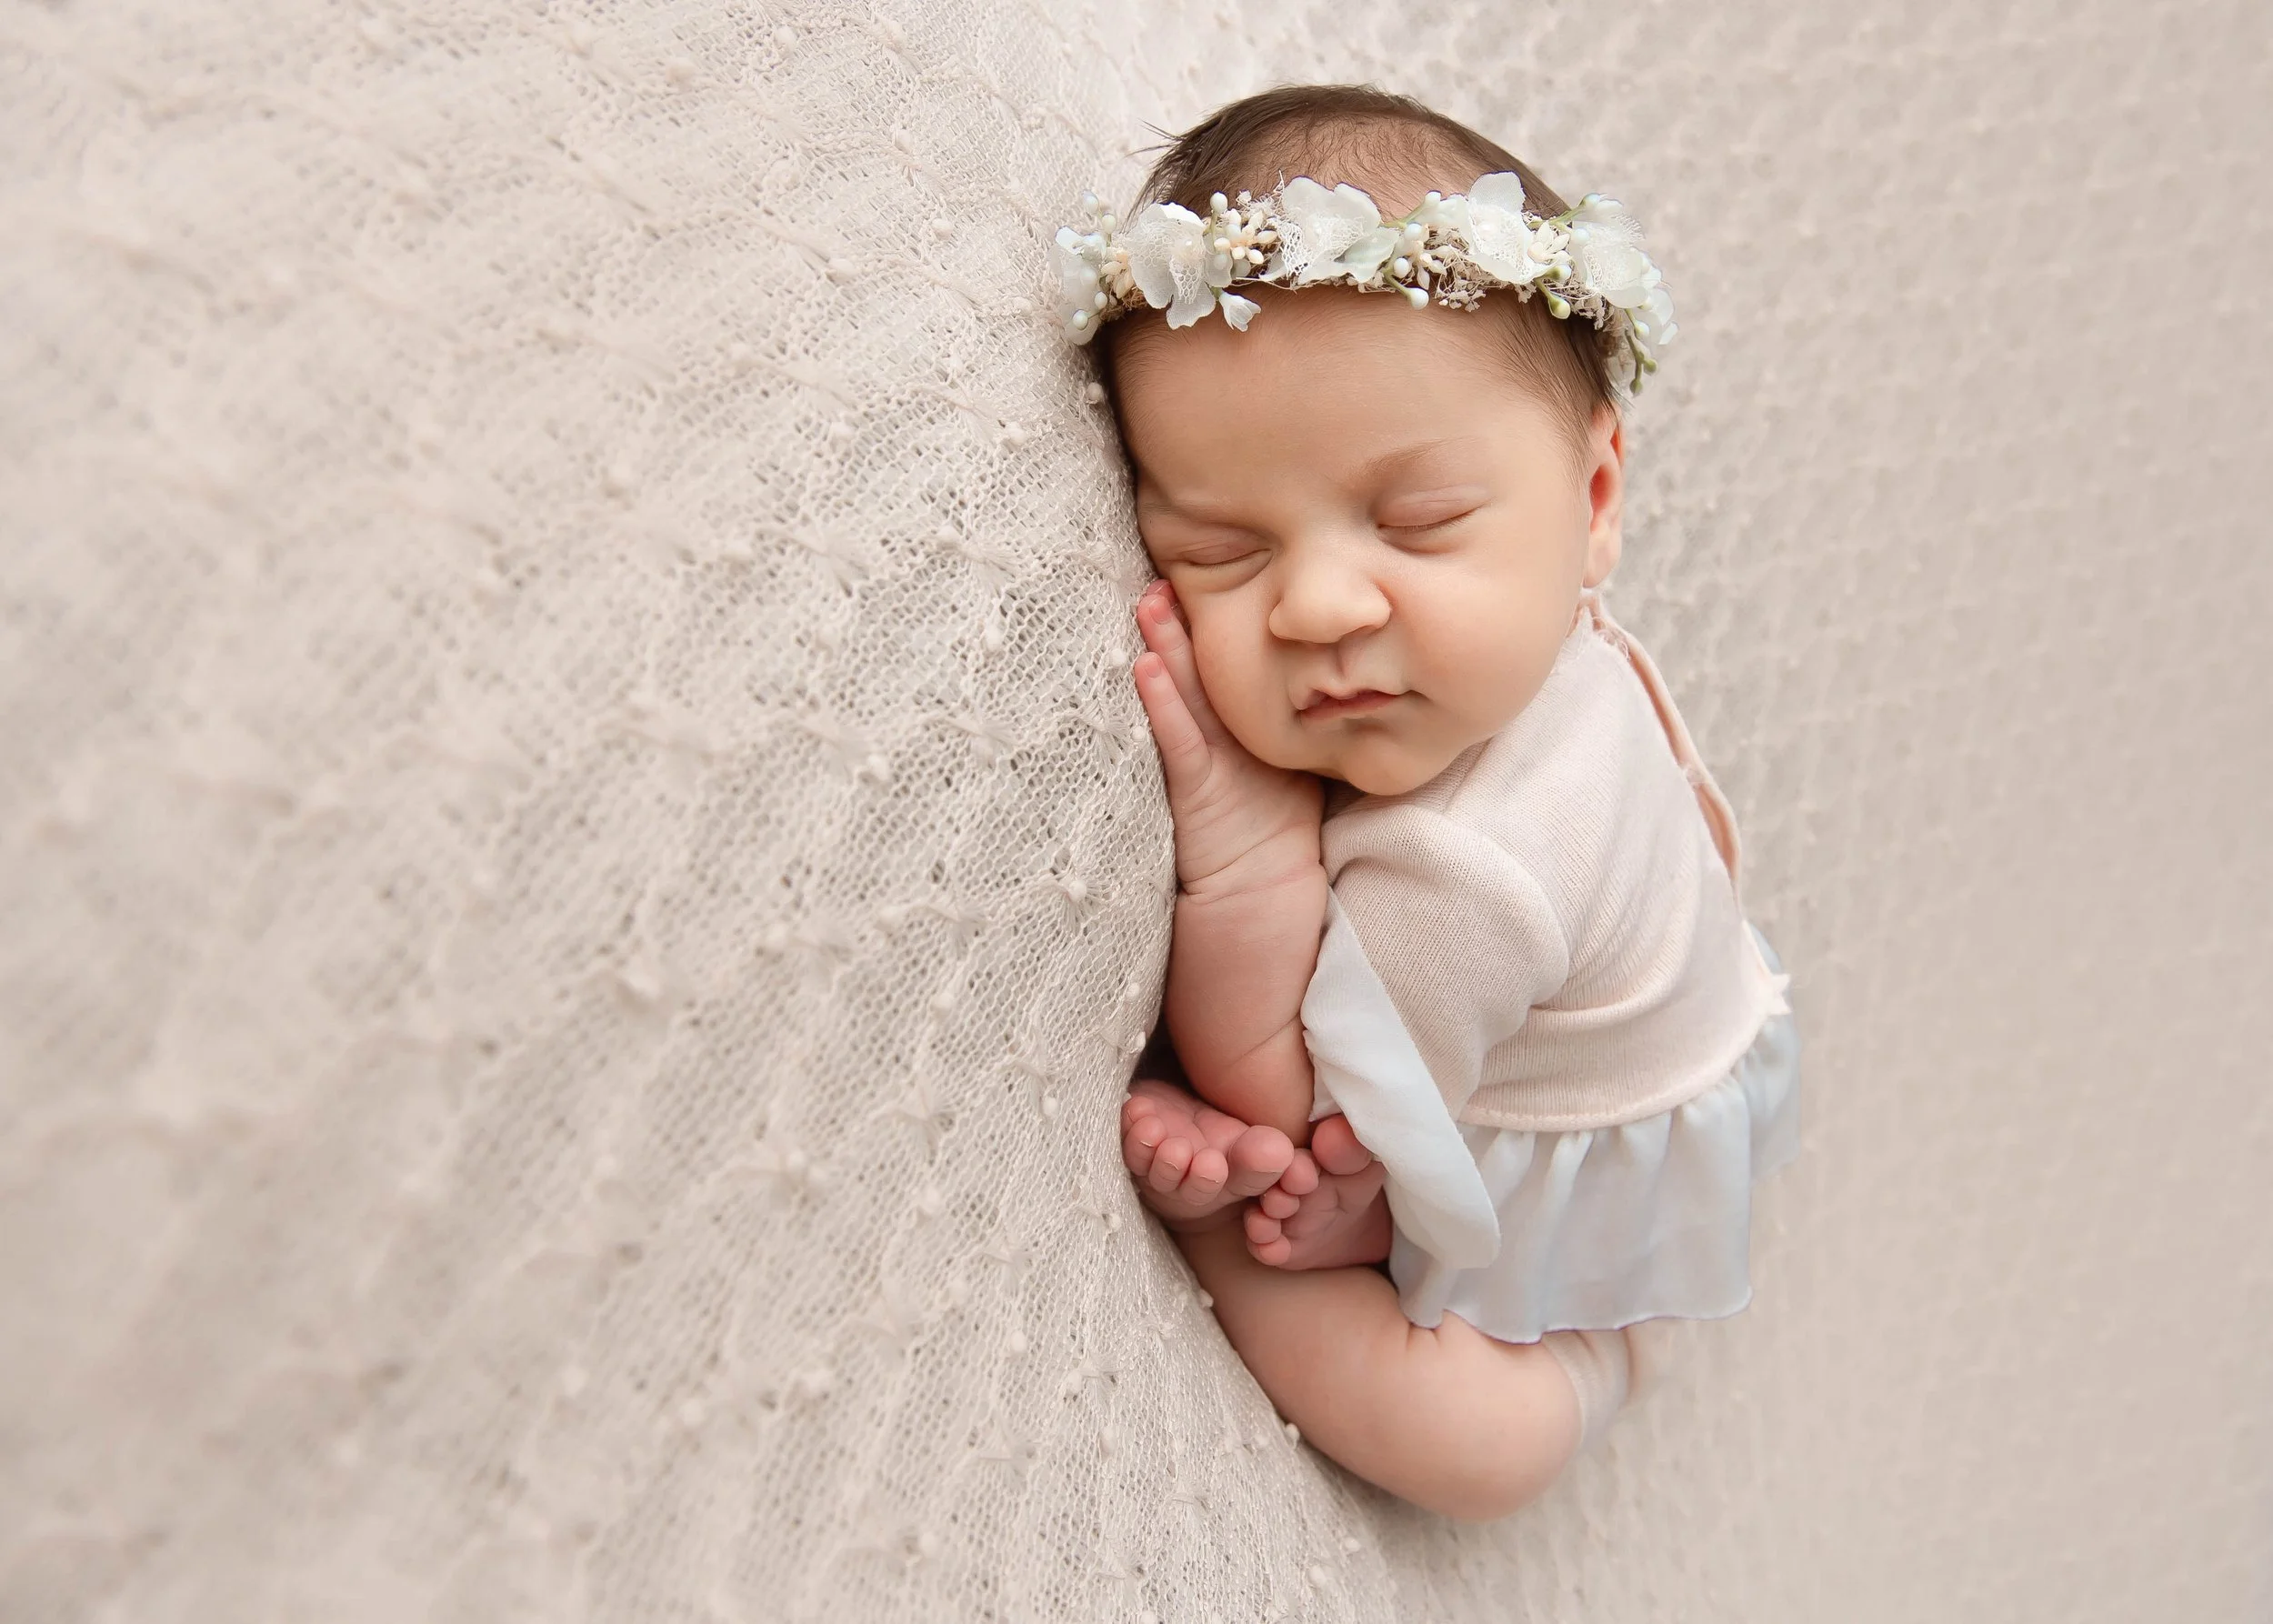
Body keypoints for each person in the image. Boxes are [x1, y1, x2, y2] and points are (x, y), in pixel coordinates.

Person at [1052, 85, 1800, 1519]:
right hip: (1710, 1027)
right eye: (1214, 549)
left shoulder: (1469, 870)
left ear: (1595, 494)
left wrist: (1250, 859)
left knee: (1478, 1450)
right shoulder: (1556, 637)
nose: (1322, 604)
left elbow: (1284, 1109)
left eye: (1418, 524)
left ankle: (1579, 1354)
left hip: (1573, 1180)